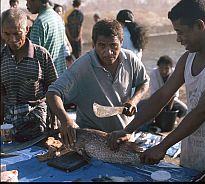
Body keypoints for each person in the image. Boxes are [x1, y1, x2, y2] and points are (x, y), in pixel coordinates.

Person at [107, 0, 205, 180]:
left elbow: (201, 111)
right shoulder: (187, 59)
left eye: (180, 32)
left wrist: (162, 146)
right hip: (191, 161)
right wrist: (129, 129)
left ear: (199, 25)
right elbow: (163, 95)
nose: (178, 39)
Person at [46, 19, 149, 147]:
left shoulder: (130, 59)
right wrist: (66, 120)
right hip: (92, 142)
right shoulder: (82, 66)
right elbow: (53, 93)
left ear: (121, 43)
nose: (108, 52)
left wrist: (134, 100)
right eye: (102, 45)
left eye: (113, 46)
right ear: (94, 44)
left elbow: (144, 82)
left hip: (124, 137)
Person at [0, 8, 58, 142]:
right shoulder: (2, 57)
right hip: (10, 127)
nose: (12, 39)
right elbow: (1, 95)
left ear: (26, 30)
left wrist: (54, 124)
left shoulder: (41, 55)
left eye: (17, 33)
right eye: (6, 34)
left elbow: (54, 91)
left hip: (37, 126)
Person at [26, 0, 66, 77]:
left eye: (29, 0)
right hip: (60, 76)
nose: (27, 4)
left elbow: (34, 61)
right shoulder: (57, 17)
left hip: (48, 80)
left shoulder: (39, 23)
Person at [53, 3, 73, 69]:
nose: (59, 13)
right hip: (58, 48)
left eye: (60, 11)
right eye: (57, 11)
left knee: (70, 64)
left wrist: (69, 44)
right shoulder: (52, 23)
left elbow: (64, 34)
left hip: (64, 46)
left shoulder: (62, 21)